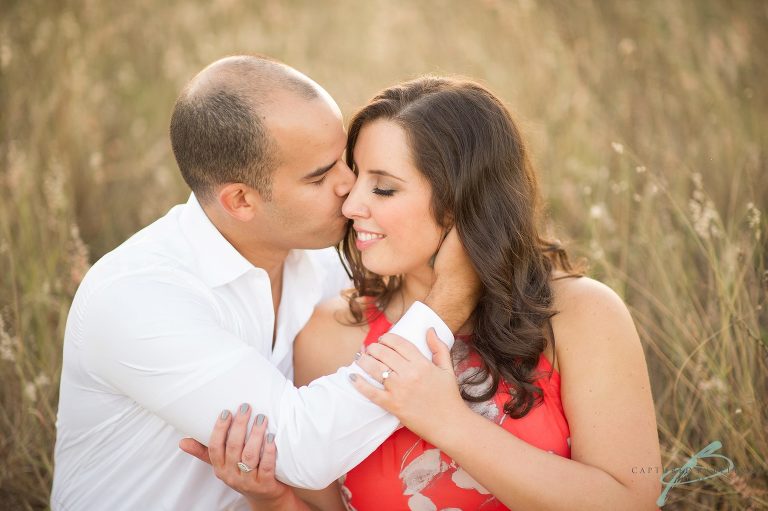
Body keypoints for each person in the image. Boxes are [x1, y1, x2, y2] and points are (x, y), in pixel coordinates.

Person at [206, 77, 663, 510]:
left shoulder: (579, 315)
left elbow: (632, 501)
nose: (350, 205)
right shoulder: (332, 337)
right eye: (355, 176)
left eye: (383, 187)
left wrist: (449, 422)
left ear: (464, 200)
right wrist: (270, 499)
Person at [50, 57, 479, 511]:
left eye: (345, 160)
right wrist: (449, 301)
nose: (350, 186)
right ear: (240, 200)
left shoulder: (319, 249)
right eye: (321, 175)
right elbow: (301, 451)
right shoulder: (138, 296)